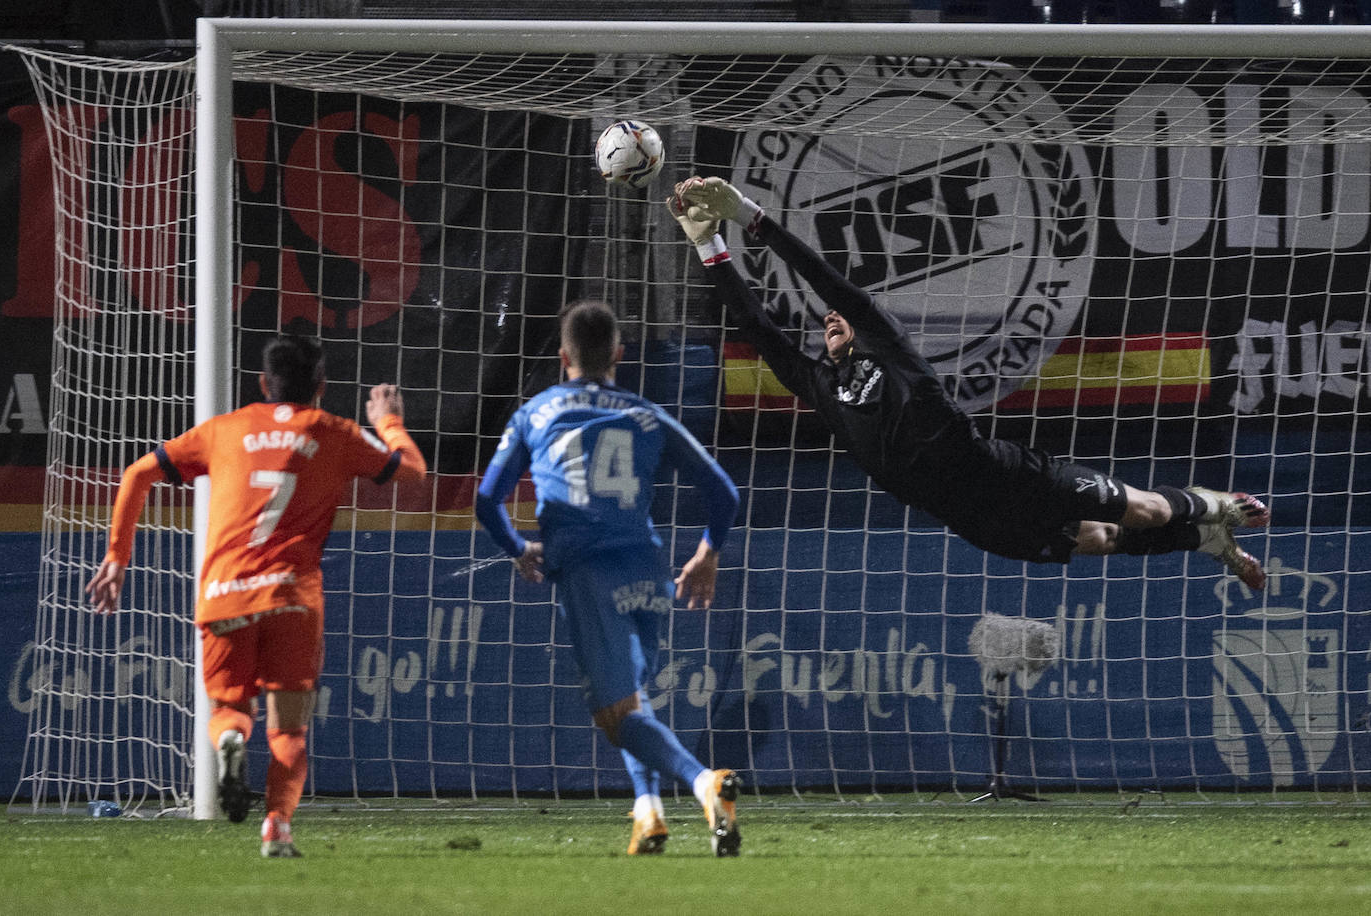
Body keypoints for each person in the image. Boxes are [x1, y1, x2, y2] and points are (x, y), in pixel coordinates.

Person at [668, 176, 1271, 589]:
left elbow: (829, 281)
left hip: (1003, 471)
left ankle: (1218, 507)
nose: (831, 317)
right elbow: (755, 324)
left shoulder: (889, 350)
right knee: (1104, 539)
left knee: (1145, 508)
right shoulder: (817, 388)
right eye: (826, 319)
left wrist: (752, 217)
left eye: (841, 316)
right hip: (976, 521)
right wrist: (706, 243)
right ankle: (1204, 542)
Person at [86, 335, 427, 857]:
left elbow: (138, 473)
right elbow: (413, 473)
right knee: (288, 729)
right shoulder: (336, 432)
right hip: (293, 598)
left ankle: (229, 741)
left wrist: (117, 557)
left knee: (229, 707)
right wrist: (388, 420)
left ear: (263, 383)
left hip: (224, 592)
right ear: (322, 387)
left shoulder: (224, 429)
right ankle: (277, 829)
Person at [475, 299, 744, 857]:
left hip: (587, 572)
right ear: (620, 355)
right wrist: (707, 553)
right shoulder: (648, 414)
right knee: (632, 701)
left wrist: (518, 548)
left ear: (562, 357)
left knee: (616, 714)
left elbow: (486, 498)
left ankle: (705, 785)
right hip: (648, 570)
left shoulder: (536, 412)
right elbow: (723, 491)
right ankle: (648, 816)